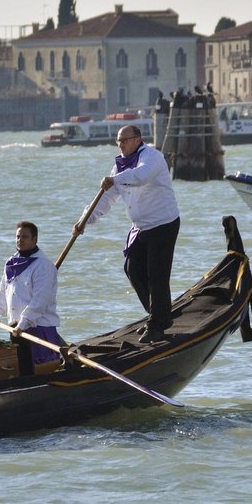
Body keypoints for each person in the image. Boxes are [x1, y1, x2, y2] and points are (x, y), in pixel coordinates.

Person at [73, 125, 180, 343]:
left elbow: (141, 176)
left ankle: (157, 323)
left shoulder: (152, 158)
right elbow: (106, 199)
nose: (120, 144)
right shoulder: (119, 168)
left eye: (124, 140)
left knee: (157, 275)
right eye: (118, 141)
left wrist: (115, 180)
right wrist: (85, 220)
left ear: (137, 139)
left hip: (163, 224)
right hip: (141, 227)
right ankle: (159, 316)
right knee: (133, 270)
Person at [0, 221, 63, 374]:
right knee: (23, 369)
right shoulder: (10, 263)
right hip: (16, 329)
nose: (20, 240)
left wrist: (22, 324)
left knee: (39, 370)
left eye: (25, 237)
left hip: (37, 328)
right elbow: (3, 292)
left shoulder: (43, 266)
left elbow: (39, 302)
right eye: (18, 236)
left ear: (34, 240)